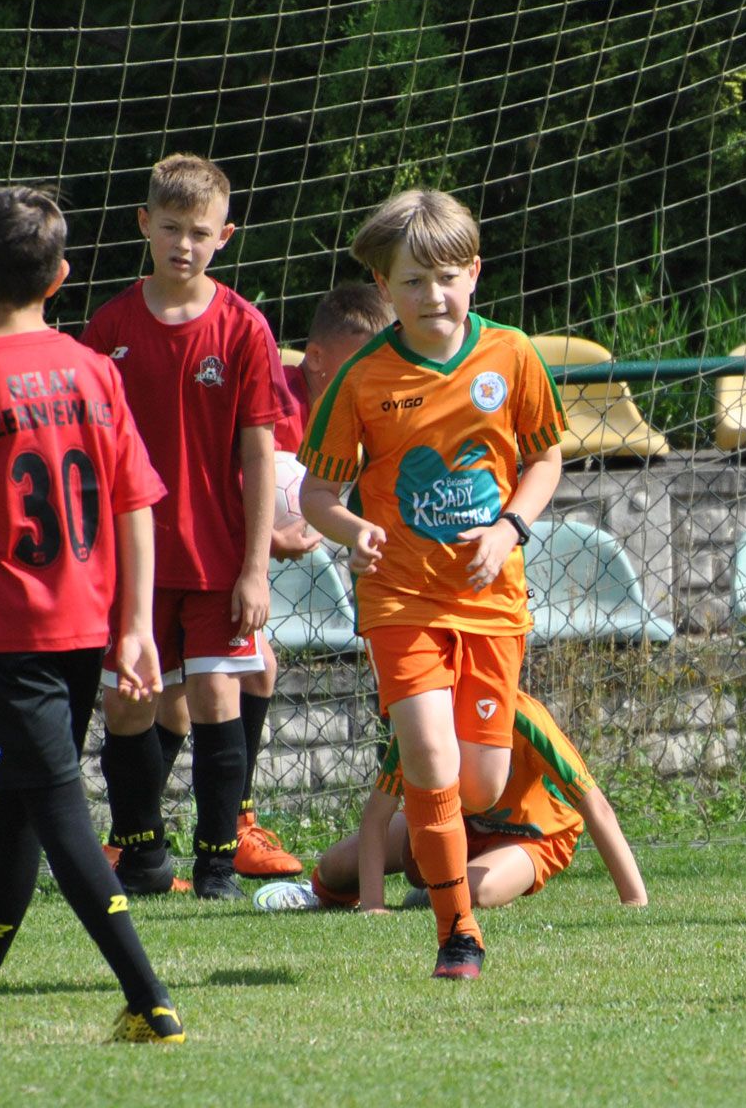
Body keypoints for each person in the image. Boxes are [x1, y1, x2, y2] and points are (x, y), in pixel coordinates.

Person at [0, 186, 184, 1044]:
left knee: (55, 809)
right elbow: (136, 503)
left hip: (8, 629)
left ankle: (148, 997)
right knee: (16, 810)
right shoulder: (97, 369)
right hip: (88, 621)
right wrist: (135, 624)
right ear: (61, 276)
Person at [298, 188, 566, 979]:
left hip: (491, 600)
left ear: (474, 272)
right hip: (400, 600)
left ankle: (386, 867)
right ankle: (459, 934)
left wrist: (510, 526)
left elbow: (545, 457)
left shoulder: (512, 355)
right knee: (425, 756)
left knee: (478, 783)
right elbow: (316, 496)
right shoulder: (363, 380)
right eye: (412, 281)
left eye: (446, 276)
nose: (432, 295)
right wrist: (352, 529)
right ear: (385, 289)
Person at [81, 153, 290, 901]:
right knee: (129, 702)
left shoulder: (244, 328)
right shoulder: (108, 326)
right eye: (170, 228)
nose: (183, 245)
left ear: (225, 236)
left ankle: (217, 865)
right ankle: (141, 856)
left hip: (217, 556)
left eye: (200, 232)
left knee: (217, 699)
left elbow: (260, 449)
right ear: (144, 224)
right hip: (130, 561)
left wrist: (256, 566)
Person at [231, 283, 395, 880]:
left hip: (260, 561)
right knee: (168, 693)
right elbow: (237, 480)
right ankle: (217, 831)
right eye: (360, 360)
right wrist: (266, 540)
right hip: (210, 547)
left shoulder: (376, 405)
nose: (370, 373)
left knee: (250, 668)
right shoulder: (273, 403)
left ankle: (228, 827)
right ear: (317, 358)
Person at [308, 694, 647, 912]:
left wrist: (634, 900)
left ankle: (440, 893)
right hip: (458, 822)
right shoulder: (425, 718)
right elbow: (377, 816)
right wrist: (373, 905)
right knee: (334, 868)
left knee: (474, 891)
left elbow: (595, 806)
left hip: (534, 836)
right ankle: (314, 894)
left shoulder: (522, 717)